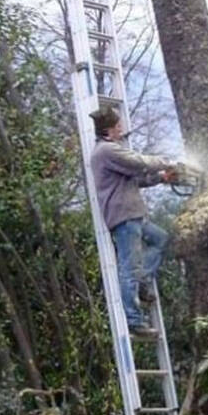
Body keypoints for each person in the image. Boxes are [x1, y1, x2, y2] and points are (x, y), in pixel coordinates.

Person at [89, 105, 177, 336]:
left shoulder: (111, 152)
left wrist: (161, 177)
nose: (121, 129)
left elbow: (135, 179)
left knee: (160, 239)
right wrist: (167, 161)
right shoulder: (107, 151)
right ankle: (134, 320)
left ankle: (144, 279)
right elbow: (139, 162)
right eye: (118, 126)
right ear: (109, 129)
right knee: (129, 268)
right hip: (124, 217)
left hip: (133, 214)